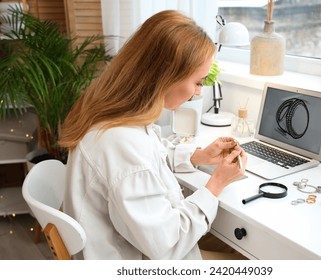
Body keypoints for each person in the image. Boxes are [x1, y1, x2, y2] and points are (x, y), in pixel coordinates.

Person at [59, 9, 247, 260]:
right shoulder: (122, 142)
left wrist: (196, 157)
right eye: (198, 82)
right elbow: (169, 246)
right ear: (166, 76)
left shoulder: (110, 115)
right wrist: (216, 184)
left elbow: (143, 164)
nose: (199, 92)